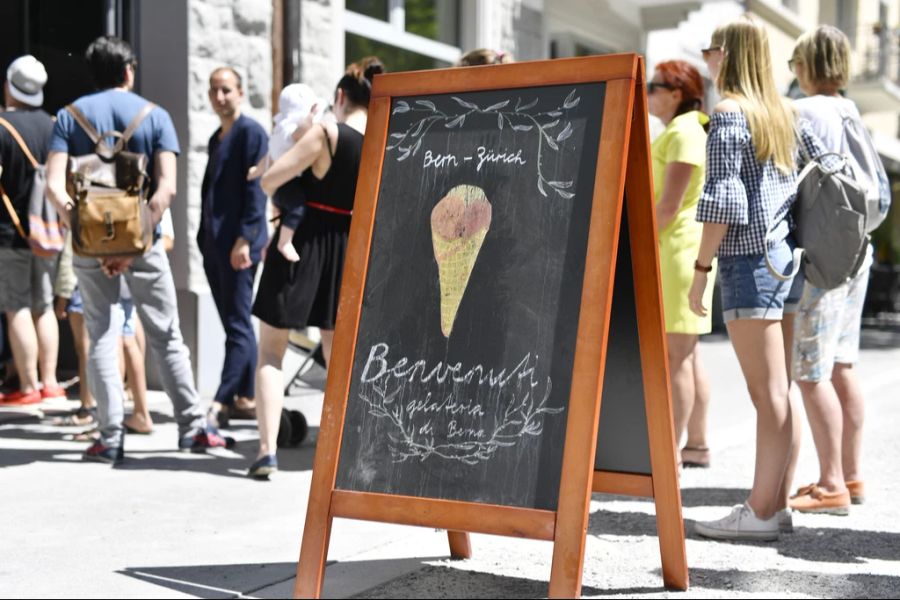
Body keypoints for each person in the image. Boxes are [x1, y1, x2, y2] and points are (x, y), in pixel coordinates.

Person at [44, 36, 230, 464]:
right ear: (128, 70)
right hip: (144, 243)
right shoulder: (155, 117)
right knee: (166, 334)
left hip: (88, 248)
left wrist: (87, 232)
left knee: (102, 335)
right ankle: (192, 428)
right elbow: (166, 190)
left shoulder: (68, 118)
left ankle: (109, 437)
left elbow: (55, 187)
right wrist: (132, 243)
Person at [688, 16, 826, 541]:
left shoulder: (728, 114)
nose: (707, 58)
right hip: (788, 258)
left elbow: (725, 199)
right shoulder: (784, 115)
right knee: (780, 391)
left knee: (767, 395)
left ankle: (760, 511)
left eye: (710, 49)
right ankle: (777, 505)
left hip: (749, 262)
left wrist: (701, 271)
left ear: (728, 54)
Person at [248, 56, 384, 478]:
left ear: (340, 97)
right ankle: (344, 452)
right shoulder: (384, 140)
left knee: (271, 353)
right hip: (347, 248)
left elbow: (271, 181)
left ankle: (267, 452)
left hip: (303, 241)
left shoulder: (328, 133)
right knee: (337, 358)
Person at [787, 26, 873, 515]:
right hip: (857, 246)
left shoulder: (807, 111)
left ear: (805, 64)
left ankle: (830, 484)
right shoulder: (851, 111)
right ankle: (853, 475)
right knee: (842, 364)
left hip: (824, 254)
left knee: (809, 369)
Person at [647, 59, 715, 468]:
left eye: (653, 86)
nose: (647, 92)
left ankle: (668, 453)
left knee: (677, 357)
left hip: (676, 250)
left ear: (676, 94)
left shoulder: (684, 132)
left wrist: (634, 242)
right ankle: (697, 445)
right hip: (681, 249)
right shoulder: (684, 130)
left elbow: (668, 206)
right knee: (688, 355)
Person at [199, 67, 269, 429]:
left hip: (239, 245)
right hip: (214, 245)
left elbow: (256, 191)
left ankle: (223, 400)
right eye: (214, 91)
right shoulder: (217, 138)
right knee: (234, 324)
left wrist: (246, 238)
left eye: (226, 89)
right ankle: (246, 396)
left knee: (239, 323)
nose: (219, 97)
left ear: (240, 92)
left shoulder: (251, 134)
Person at [0, 54, 65, 406]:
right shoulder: (54, 125)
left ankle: (27, 386)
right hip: (48, 233)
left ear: (9, 85)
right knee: (44, 305)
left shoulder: (1, 126)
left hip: (9, 233)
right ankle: (51, 381)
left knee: (16, 306)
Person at [249, 83, 327, 264]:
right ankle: (285, 242)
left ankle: (279, 240)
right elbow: (300, 133)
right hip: (287, 186)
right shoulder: (290, 131)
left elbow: (267, 157)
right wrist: (311, 119)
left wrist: (255, 171)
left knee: (286, 214)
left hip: (279, 188)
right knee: (297, 209)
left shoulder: (278, 131)